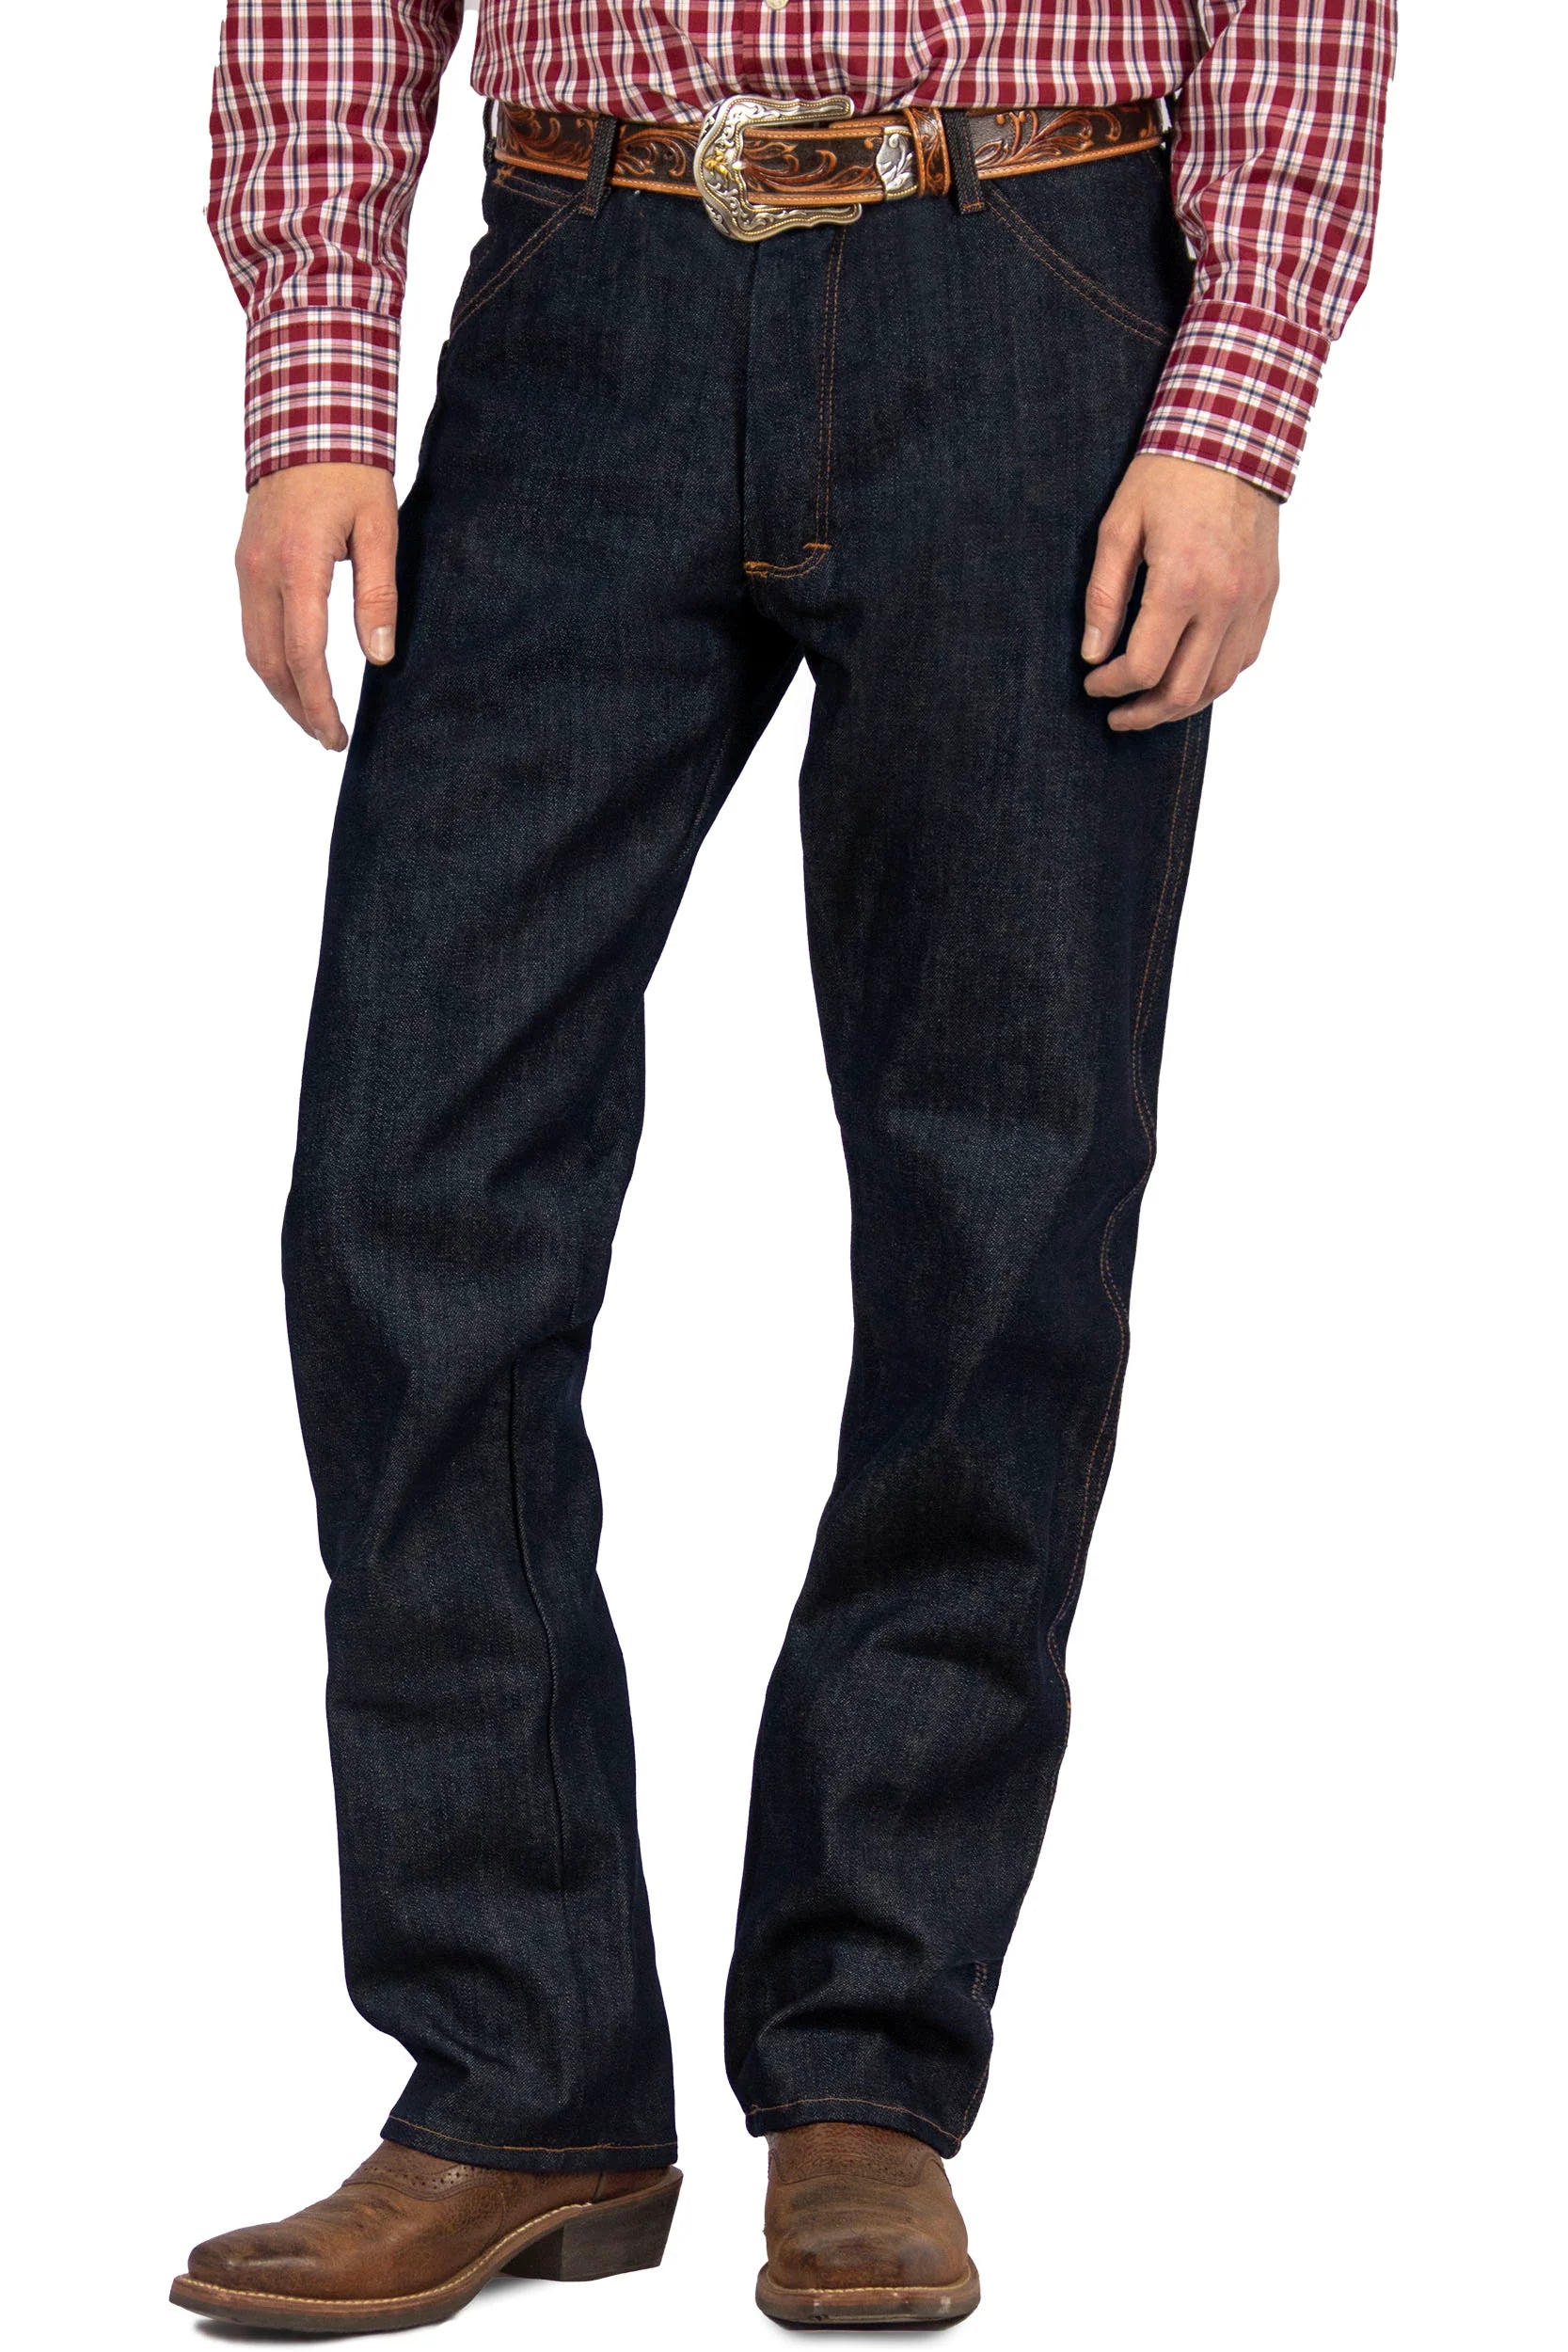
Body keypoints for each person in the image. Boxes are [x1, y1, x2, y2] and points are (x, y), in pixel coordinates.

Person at [173, 0, 1393, 2332]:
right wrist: (316, 379)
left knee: (999, 1204)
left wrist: (1237, 401)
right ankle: (517, 2075)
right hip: (579, 284)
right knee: (406, 1182)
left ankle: (866, 2077)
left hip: (1028, 268)